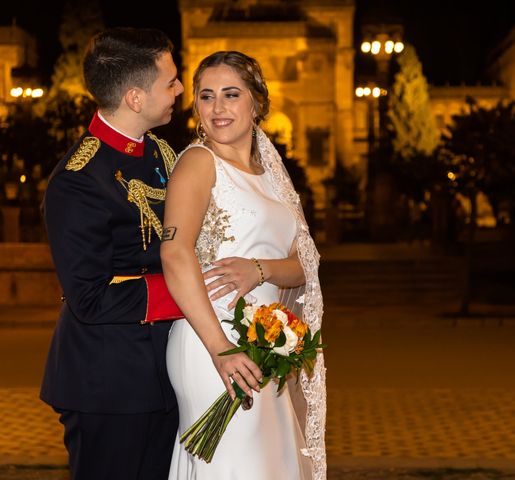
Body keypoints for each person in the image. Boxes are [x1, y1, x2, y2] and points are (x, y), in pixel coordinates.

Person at [161, 51, 326, 479]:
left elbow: (305, 265)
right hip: (211, 341)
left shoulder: (273, 176)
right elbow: (174, 254)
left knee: (273, 461)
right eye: (206, 96)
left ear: (257, 103)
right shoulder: (197, 163)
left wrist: (260, 270)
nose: (217, 108)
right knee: (237, 464)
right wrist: (221, 349)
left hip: (269, 342)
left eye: (231, 95)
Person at [40, 27, 185, 480]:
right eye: (171, 81)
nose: (180, 89)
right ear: (136, 98)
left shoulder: (161, 153)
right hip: (108, 384)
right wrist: (191, 292)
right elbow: (90, 298)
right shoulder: (78, 179)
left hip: (164, 372)